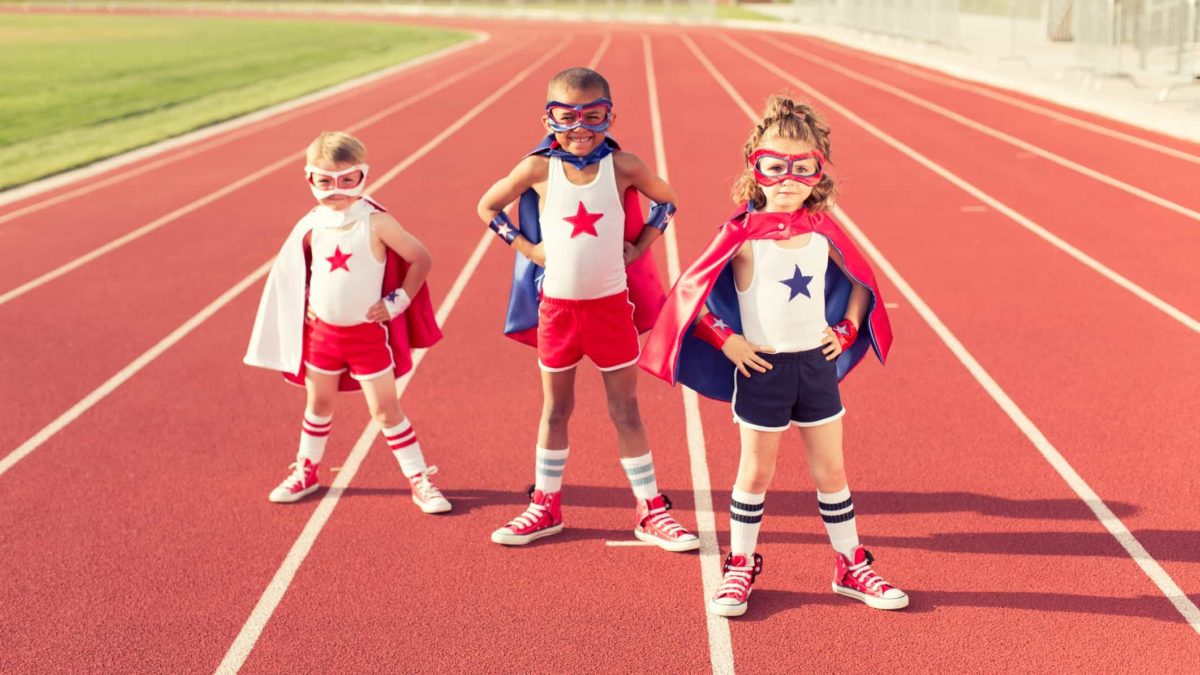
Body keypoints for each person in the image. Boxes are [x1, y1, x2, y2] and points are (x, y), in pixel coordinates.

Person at [640, 96, 906, 615]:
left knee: (832, 471)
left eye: (802, 167)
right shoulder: (738, 234)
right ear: (754, 168)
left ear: (818, 172)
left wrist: (848, 329)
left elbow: (862, 282)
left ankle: (850, 563)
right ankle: (739, 564)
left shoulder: (824, 230)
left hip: (815, 368)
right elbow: (688, 298)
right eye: (774, 166)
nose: (788, 179)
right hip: (763, 370)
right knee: (755, 474)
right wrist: (728, 340)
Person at [476, 67, 697, 551]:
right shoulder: (537, 168)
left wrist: (641, 246)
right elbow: (488, 206)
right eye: (566, 117)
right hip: (557, 311)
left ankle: (650, 509)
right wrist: (528, 249)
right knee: (555, 410)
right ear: (548, 117)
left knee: (626, 410)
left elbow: (669, 201)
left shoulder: (624, 167)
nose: (580, 129)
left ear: (609, 116)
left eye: (593, 116)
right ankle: (546, 504)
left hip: (610, 309)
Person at [245, 131, 450, 513]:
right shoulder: (310, 225)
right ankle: (307, 471)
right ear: (309, 179)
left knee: (385, 409)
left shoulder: (375, 222)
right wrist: (305, 302)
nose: (335, 190)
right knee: (318, 402)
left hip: (367, 337)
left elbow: (420, 257)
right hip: (322, 335)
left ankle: (419, 478)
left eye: (346, 180)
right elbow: (296, 271)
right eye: (324, 181)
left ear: (362, 176)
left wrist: (397, 301)